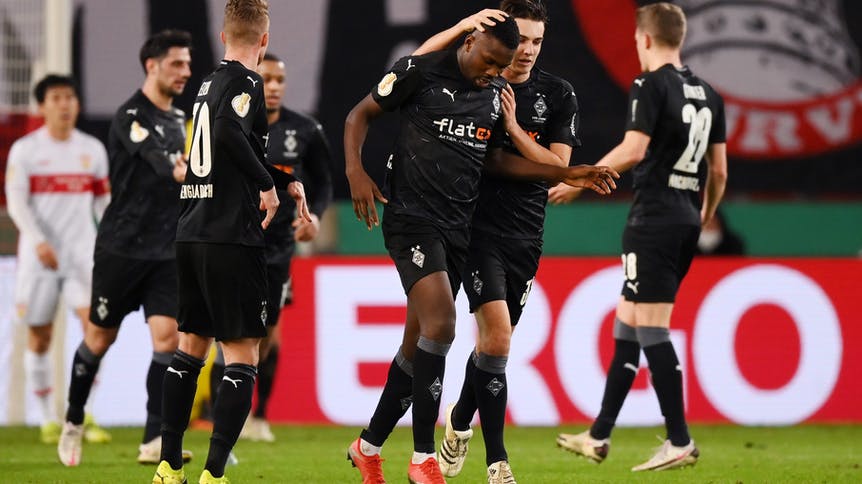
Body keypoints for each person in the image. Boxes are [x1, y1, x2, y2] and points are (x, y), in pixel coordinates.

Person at [343, 14, 617, 484]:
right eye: (489, 61)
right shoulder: (420, 71)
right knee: (442, 325)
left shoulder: (494, 95)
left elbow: (496, 161)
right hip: (412, 220)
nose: (492, 72)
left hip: (458, 228)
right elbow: (358, 114)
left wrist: (566, 173)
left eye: (499, 66)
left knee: (416, 347)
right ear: (470, 42)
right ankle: (424, 458)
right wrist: (355, 172)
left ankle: (367, 447)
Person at [410, 2, 582, 482]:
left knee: (493, 348)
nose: (527, 50)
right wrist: (463, 27)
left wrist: (513, 129)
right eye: (521, 39)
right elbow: (414, 64)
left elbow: (558, 165)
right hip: (474, 227)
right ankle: (498, 462)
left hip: (526, 234)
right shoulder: (477, 81)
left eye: (537, 41)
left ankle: (460, 419)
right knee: (499, 337)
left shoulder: (557, 93)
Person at [552, 2, 727, 471]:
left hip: (653, 219)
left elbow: (634, 149)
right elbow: (719, 171)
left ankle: (679, 440)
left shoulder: (650, 85)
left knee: (652, 328)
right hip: (685, 217)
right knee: (627, 323)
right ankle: (598, 434)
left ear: (644, 39)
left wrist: (580, 179)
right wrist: (704, 213)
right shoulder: (710, 94)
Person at [151, 1, 310, 483]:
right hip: (231, 238)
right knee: (242, 358)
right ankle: (214, 473)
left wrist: (284, 180)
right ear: (264, 40)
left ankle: (168, 465)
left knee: (189, 350)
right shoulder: (247, 81)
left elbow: (227, 150)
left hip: (192, 232)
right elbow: (227, 134)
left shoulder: (207, 85)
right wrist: (267, 186)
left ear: (223, 37)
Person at [55, 30, 193, 467]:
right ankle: (73, 419)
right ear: (152, 65)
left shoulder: (181, 118)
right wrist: (179, 169)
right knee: (100, 338)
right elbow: (155, 157)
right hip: (121, 248)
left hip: (166, 249)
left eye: (188, 64)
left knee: (168, 338)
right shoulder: (129, 114)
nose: (185, 72)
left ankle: (154, 438)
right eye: (177, 64)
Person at [232, 52, 332, 442]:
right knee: (232, 330)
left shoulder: (304, 129)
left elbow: (324, 182)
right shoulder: (233, 125)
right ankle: (228, 412)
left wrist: (315, 217)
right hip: (236, 240)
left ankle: (259, 415)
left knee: (268, 332)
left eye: (279, 80)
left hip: (278, 247)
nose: (273, 87)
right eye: (266, 79)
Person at [5, 75, 111, 447]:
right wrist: (38, 242)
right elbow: (16, 202)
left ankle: (85, 414)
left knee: (95, 332)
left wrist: (108, 241)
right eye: (56, 98)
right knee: (40, 335)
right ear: (42, 105)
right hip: (40, 260)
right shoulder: (26, 150)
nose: (65, 104)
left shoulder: (92, 149)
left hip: (83, 256)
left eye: (70, 97)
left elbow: (103, 202)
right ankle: (47, 418)